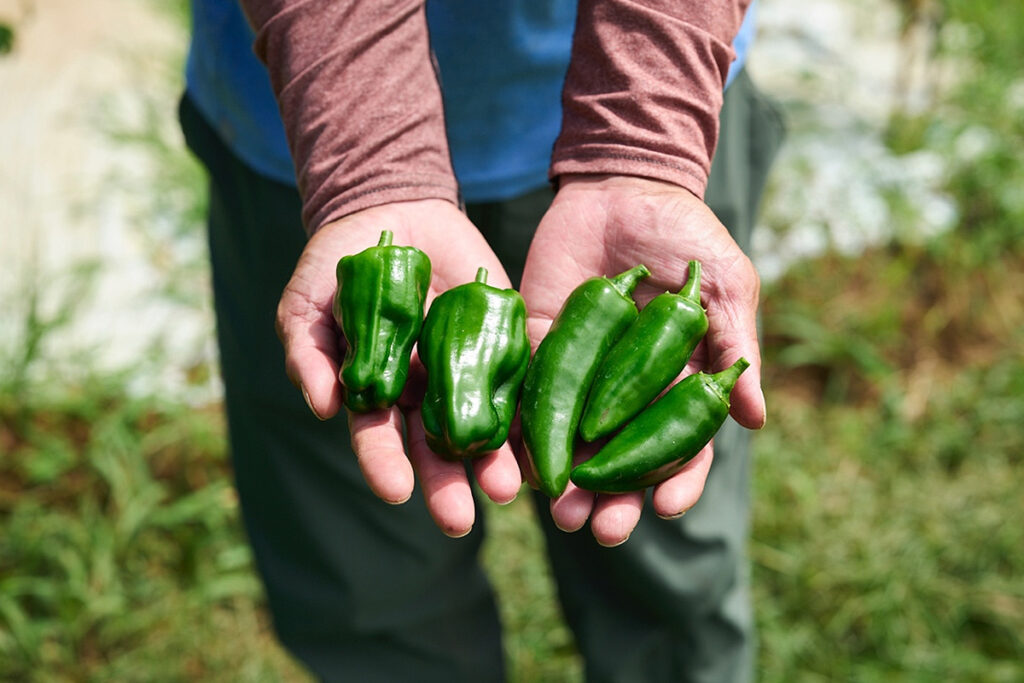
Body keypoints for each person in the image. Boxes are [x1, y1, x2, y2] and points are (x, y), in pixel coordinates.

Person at [180, 0, 783, 680]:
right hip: (312, 128)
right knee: (372, 595)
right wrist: (366, 160)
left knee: (671, 583)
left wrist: (645, 142)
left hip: (666, 91)